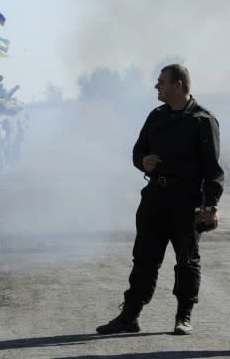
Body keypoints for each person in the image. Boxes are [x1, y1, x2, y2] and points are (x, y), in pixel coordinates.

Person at [96, 64, 224, 337]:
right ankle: (129, 317)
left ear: (178, 85)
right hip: (155, 198)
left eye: (161, 82)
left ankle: (183, 317)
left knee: (187, 261)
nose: (157, 87)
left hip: (187, 201)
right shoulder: (155, 116)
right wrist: (143, 161)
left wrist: (210, 208)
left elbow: (214, 171)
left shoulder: (203, 120)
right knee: (144, 259)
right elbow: (137, 151)